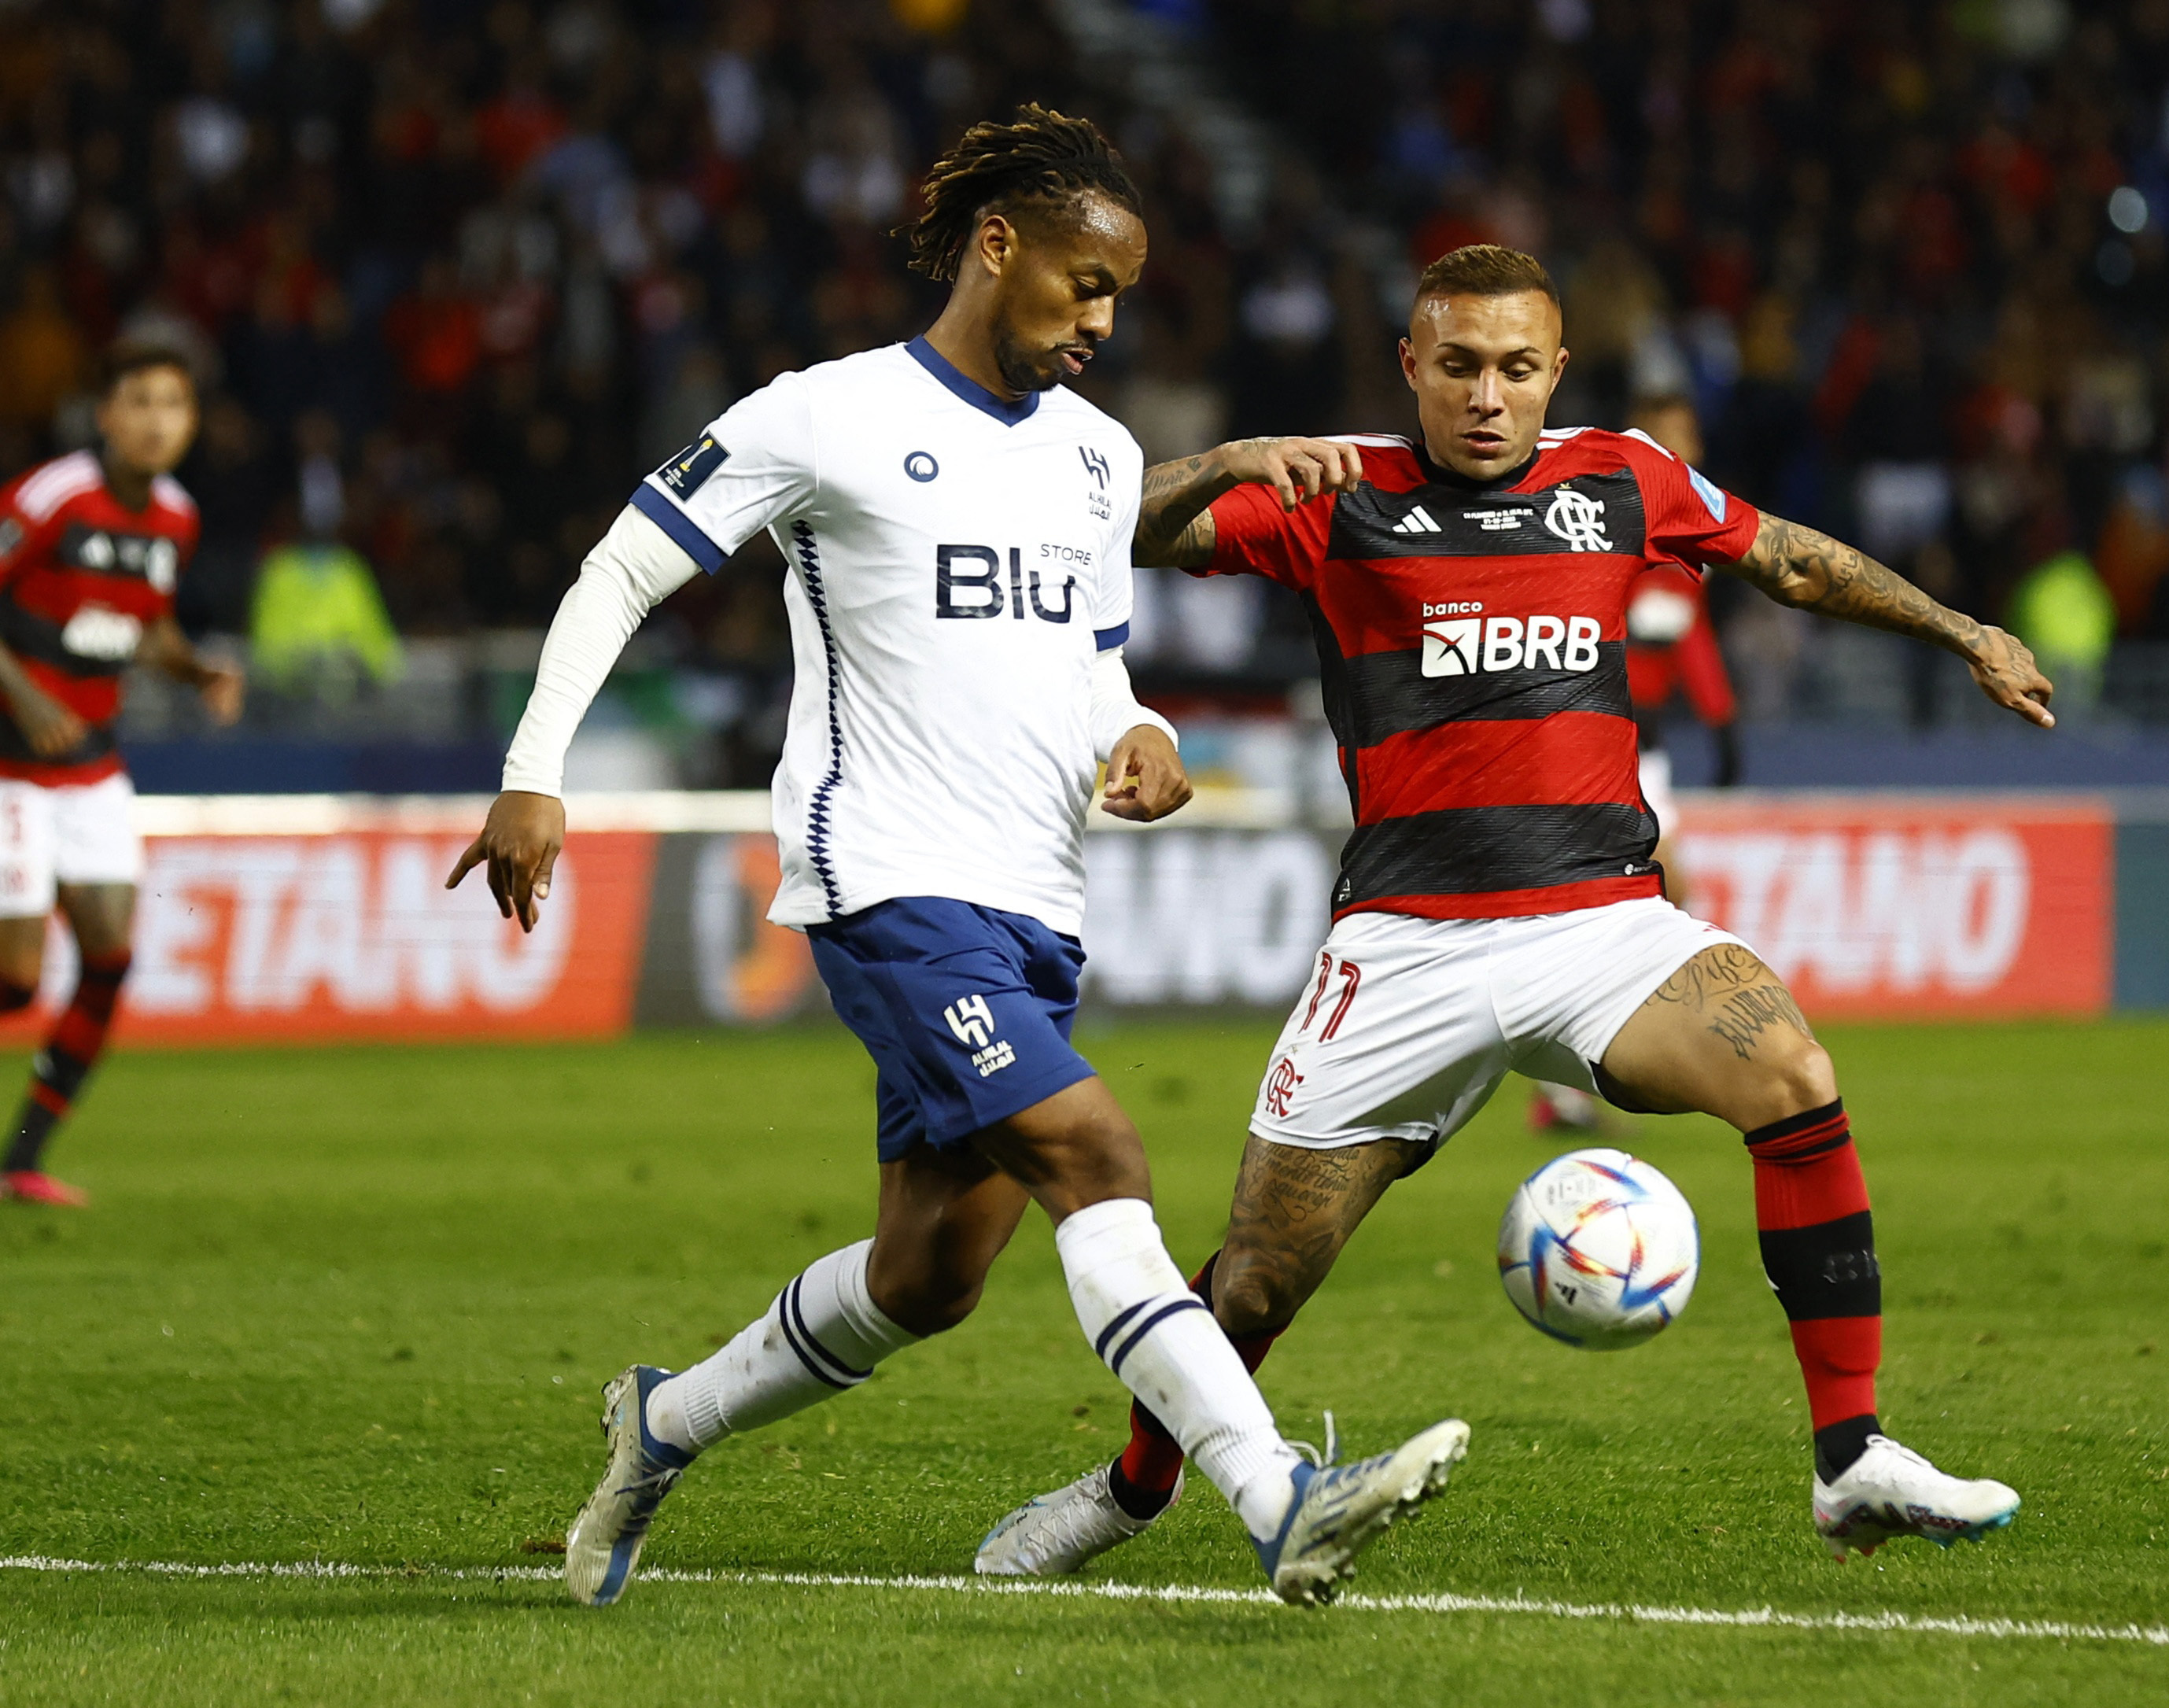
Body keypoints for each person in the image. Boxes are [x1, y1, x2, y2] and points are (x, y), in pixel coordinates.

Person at [449, 107, 1467, 1611]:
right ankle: (1278, 1496)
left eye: (1120, 293)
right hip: (889, 876)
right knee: (1099, 1157)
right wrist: (532, 776)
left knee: (926, 1277)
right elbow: (624, 566)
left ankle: (660, 1422)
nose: (1103, 320)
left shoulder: (1097, 458)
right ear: (998, 247)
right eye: (1083, 283)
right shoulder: (826, 413)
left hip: (1034, 901)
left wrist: (1142, 732)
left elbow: (1089, 659)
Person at [976, 245, 2050, 1577]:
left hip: (1602, 926)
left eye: (1518, 369)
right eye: (1462, 367)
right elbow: (1098, 534)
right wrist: (1232, 459)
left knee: (1793, 1071)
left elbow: (1787, 560)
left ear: (1555, 374)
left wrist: (1963, 631)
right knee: (1254, 1281)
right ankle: (1131, 1493)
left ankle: (1851, 1457)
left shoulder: (1621, 476)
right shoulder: (1338, 490)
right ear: (1413, 367)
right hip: (1405, 949)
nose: (1489, 396)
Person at [0, 339, 245, 1208]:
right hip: (12, 764)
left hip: (93, 767)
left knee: (108, 957)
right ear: (104, 415)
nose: (155, 421)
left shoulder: (175, 517)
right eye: (138, 401)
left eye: (172, 404)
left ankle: (20, 1159)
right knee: (18, 978)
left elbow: (148, 631)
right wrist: (25, 696)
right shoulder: (51, 498)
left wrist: (199, 671)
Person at [1529, 392, 1743, 1136]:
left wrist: (1721, 721)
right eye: (1673, 436)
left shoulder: (1686, 530)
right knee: (1652, 890)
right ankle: (1585, 1070)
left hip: (1643, 741)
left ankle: (1582, 1075)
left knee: (1661, 894)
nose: (1686, 450)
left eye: (1691, 435)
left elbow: (1689, 635)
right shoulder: (1605, 519)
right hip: (1599, 736)